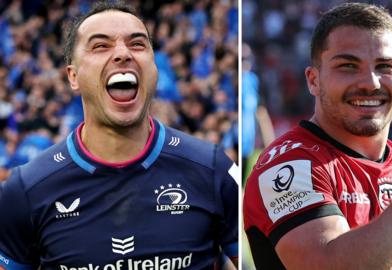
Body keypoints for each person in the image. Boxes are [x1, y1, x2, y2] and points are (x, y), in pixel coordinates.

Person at [0, 2, 239, 270]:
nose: (123, 53)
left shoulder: (213, 169)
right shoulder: (25, 189)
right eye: (101, 46)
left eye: (137, 44)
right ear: (73, 76)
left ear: (155, 70)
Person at [243, 2, 392, 269]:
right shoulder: (288, 166)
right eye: (348, 66)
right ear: (313, 80)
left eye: (384, 66)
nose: (371, 82)